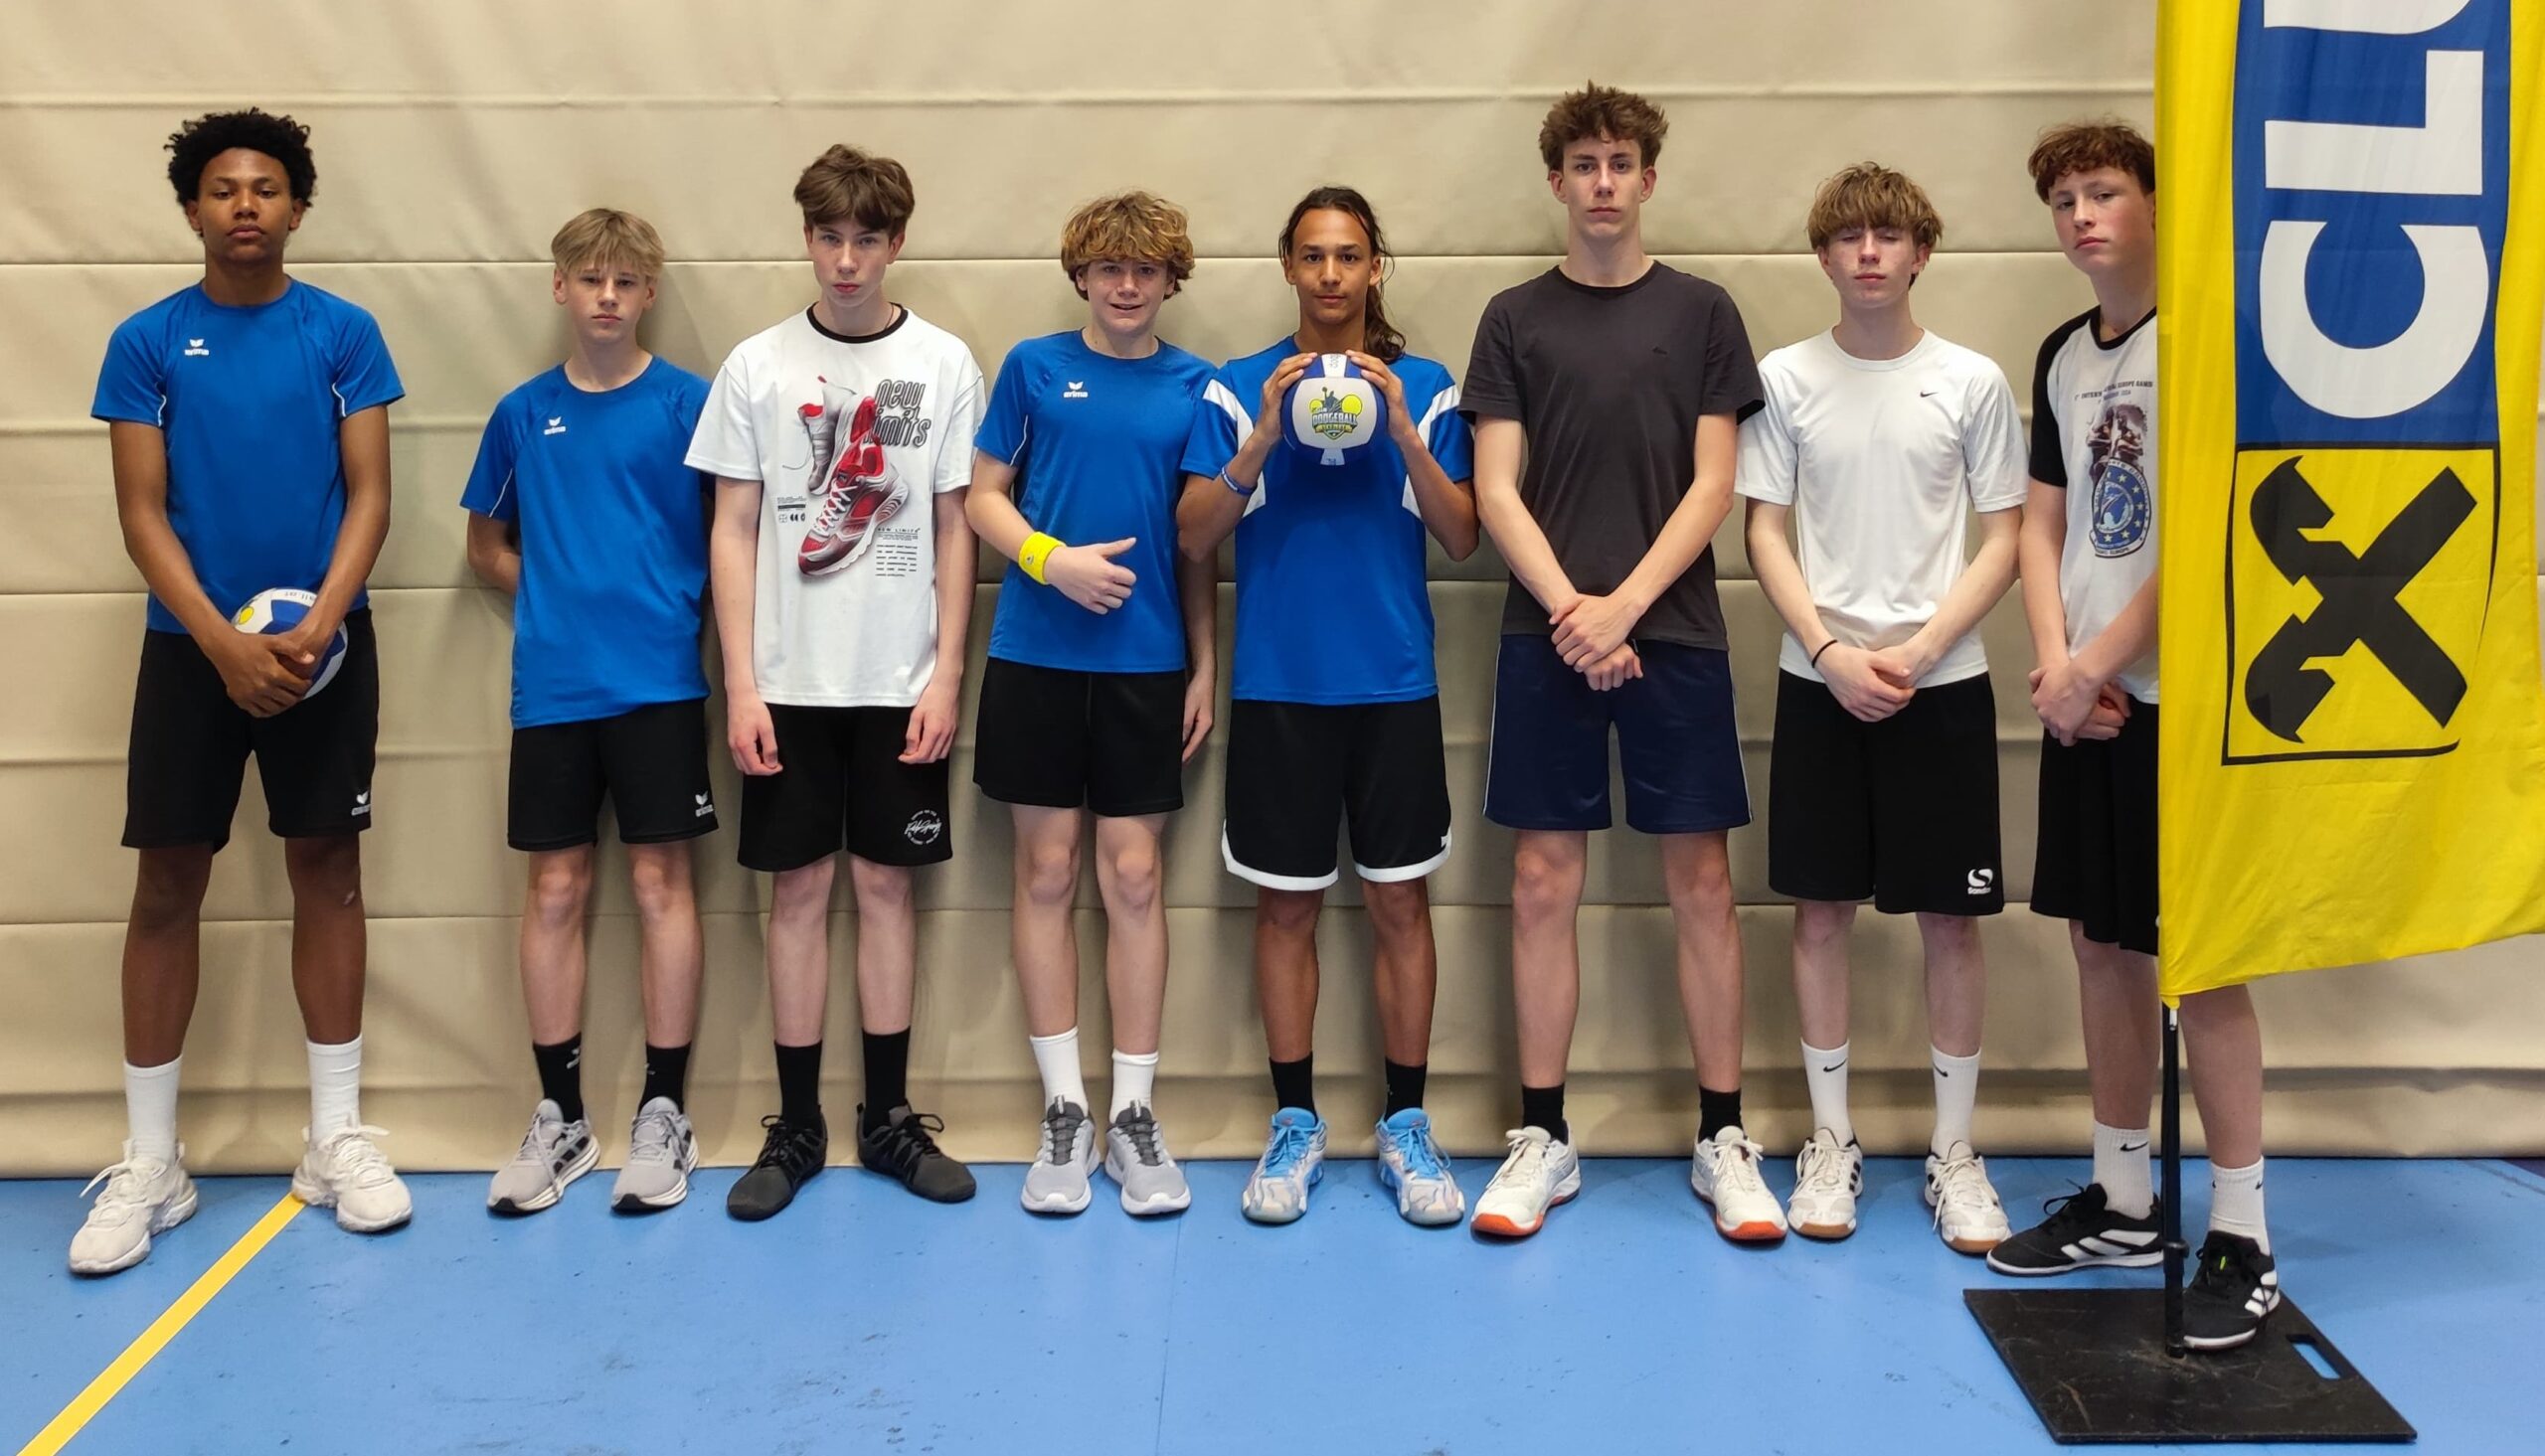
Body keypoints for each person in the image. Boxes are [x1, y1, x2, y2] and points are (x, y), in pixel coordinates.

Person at [77, 107, 411, 1274]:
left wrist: (318, 624)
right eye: (223, 189)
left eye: (266, 188)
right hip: (192, 654)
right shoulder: (148, 343)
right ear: (192, 210)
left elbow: (371, 496)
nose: (245, 206)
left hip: (322, 648)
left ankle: (334, 1141)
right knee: (169, 881)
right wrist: (221, 643)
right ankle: (152, 1162)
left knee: (329, 868)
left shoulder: (344, 333)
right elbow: (142, 513)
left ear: (298, 208)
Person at [1983, 120, 2280, 1354]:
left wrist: (2098, 664)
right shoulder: (2064, 352)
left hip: (2179, 700)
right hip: (2086, 700)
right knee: (2099, 942)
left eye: (2101, 191)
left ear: (2154, 203)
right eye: (2061, 199)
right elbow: (2041, 527)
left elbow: (2204, 531)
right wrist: (2057, 667)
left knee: (2195, 957)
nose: (2080, 216)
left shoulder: (2203, 342)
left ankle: (2244, 1234)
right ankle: (2121, 1197)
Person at [1464, 83, 1776, 1242]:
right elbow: (1495, 487)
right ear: (1557, 181)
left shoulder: (1702, 312)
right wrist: (1572, 613)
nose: (1603, 182)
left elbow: (1715, 483)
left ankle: (1722, 1135)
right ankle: (1542, 1134)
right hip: (1545, 636)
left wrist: (1626, 608)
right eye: (1583, 164)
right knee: (1543, 882)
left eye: (1620, 163)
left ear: (1649, 178)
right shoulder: (1512, 318)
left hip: (1673, 631)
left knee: (1702, 884)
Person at [686, 145, 984, 1219]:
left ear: (896, 243)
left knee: (887, 889)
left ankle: (888, 1119)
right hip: (788, 682)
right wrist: (742, 685)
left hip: (901, 681)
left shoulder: (945, 363)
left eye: (866, 239)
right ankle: (799, 1125)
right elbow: (731, 529)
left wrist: (946, 677)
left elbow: (957, 527)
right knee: (799, 895)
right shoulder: (756, 366)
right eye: (829, 237)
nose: (847, 260)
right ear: (806, 238)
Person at [1176, 186, 1477, 1226]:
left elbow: (1461, 535)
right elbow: (1192, 535)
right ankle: (1294, 1121)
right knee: (1286, 906)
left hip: (1392, 683)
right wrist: (1263, 433)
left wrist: (1402, 431)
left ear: (1374, 266)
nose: (1332, 273)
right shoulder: (1235, 386)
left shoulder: (1427, 386)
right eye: (1313, 255)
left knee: (1400, 903)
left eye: (1349, 255)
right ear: (1289, 267)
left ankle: (1406, 1121)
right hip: (1279, 684)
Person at [1737, 163, 2024, 1252]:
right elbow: (1763, 529)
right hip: (1820, 685)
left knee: (1950, 919)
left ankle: (1954, 1151)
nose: (1868, 252)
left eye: (1888, 236)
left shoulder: (1971, 380)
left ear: (1920, 253)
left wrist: (1919, 649)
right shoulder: (1785, 377)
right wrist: (1829, 649)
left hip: (1939, 688)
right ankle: (1831, 1140)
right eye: (1848, 237)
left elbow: (2004, 536)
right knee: (1820, 911)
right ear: (1823, 256)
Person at [966, 193, 1216, 1216]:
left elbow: (1196, 546)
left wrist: (1203, 664)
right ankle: (1065, 1112)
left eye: (1145, 269)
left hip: (1145, 667)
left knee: (1135, 876)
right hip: (1035, 656)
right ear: (1081, 275)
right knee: (1046, 869)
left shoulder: (1196, 385)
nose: (1126, 284)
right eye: (1109, 267)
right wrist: (1049, 559)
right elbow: (982, 496)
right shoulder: (1032, 368)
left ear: (1169, 281)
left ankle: (1133, 1118)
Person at [464, 209, 715, 1215]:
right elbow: (485, 546)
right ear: (559, 287)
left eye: (626, 281)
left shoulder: (689, 404)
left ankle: (665, 1111)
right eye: (590, 279)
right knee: (556, 887)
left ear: (649, 292)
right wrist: (559, 597)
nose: (607, 296)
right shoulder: (522, 413)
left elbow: (733, 538)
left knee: (660, 883)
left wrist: (664, 603)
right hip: (555, 692)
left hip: (661, 685)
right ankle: (561, 1114)